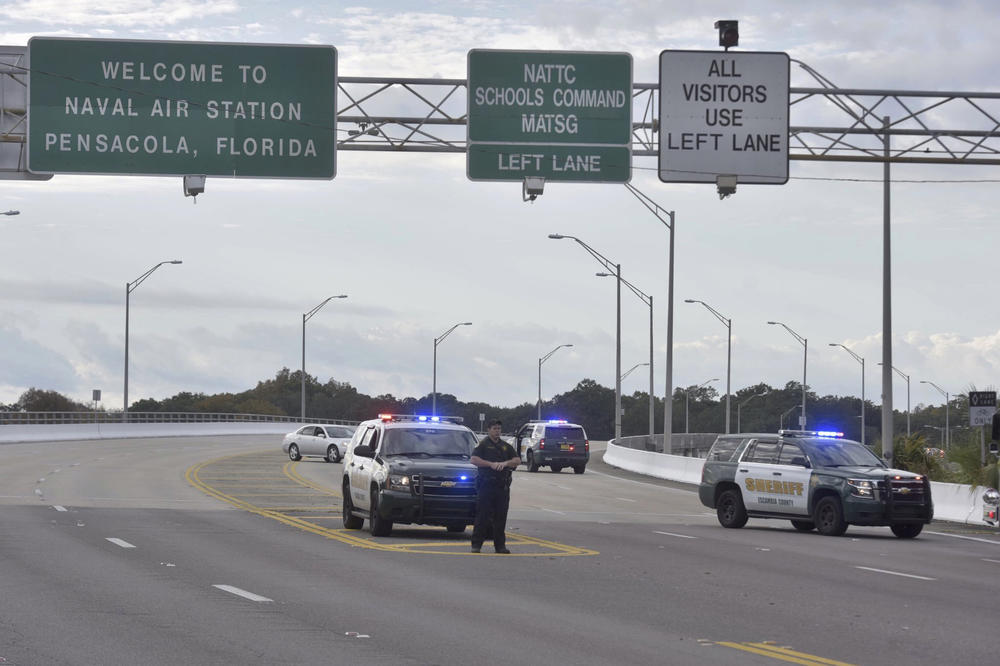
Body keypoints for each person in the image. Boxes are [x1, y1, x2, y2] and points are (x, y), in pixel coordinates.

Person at [469, 418, 520, 553]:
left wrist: (505, 463)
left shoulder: (505, 446)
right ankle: (476, 545)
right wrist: (490, 464)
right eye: (494, 429)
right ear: (489, 430)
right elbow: (474, 459)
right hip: (486, 484)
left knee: (500, 517)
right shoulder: (483, 445)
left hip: (501, 486)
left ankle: (500, 546)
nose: (497, 431)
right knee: (482, 516)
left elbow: (517, 460)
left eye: (499, 429)